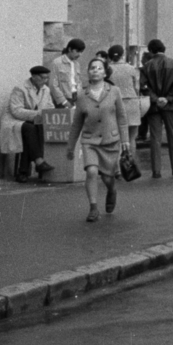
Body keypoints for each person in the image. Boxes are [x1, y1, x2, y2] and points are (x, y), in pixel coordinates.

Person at [67, 53, 128, 221]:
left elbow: (122, 117)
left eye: (99, 68)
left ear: (105, 73)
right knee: (92, 171)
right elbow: (77, 123)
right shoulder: (82, 95)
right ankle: (93, 208)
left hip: (110, 141)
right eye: (92, 68)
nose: (95, 71)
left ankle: (112, 190)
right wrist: (70, 146)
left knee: (108, 178)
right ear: (88, 72)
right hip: (90, 141)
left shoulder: (114, 91)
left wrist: (125, 140)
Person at [140, 38, 173, 178]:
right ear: (163, 49)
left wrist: (156, 99)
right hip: (170, 105)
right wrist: (168, 98)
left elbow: (143, 87)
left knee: (155, 137)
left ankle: (156, 170)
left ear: (151, 51)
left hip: (153, 106)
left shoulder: (146, 66)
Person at [7, 65, 56, 181]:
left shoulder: (46, 90)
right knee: (30, 129)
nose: (45, 81)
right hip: (17, 121)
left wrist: (43, 115)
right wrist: (37, 114)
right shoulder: (20, 88)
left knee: (33, 130)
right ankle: (38, 161)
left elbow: (50, 107)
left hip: (35, 122)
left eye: (47, 78)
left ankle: (23, 172)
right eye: (43, 78)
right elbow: (16, 111)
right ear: (34, 77)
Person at [105, 46, 141, 154]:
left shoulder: (107, 69)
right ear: (123, 55)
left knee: (117, 137)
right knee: (131, 138)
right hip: (131, 103)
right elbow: (137, 88)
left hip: (114, 104)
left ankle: (118, 162)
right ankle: (130, 160)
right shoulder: (131, 68)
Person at [49, 37, 85, 115]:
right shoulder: (57, 62)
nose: (79, 54)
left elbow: (78, 82)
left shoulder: (77, 64)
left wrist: (80, 97)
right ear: (70, 49)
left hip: (76, 98)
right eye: (77, 51)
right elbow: (53, 85)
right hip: (63, 99)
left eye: (81, 52)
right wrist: (64, 101)